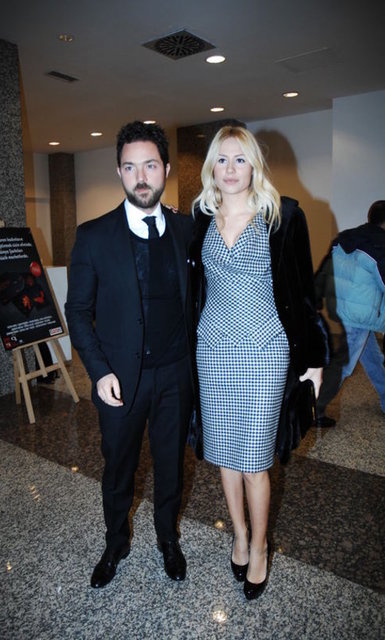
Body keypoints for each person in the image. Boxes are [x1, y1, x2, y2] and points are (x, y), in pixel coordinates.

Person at [190, 126, 326, 600]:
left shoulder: (282, 216)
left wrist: (313, 360)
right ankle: (241, 536)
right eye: (222, 159)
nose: (230, 169)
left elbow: (304, 293)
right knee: (223, 455)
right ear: (211, 166)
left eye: (240, 159)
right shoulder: (199, 218)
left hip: (264, 351)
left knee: (253, 461)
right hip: (212, 351)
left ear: (255, 166)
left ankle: (261, 547)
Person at [65, 121, 194, 588]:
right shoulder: (94, 236)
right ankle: (115, 542)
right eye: (130, 167)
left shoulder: (186, 229)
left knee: (170, 465)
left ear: (165, 170)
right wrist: (99, 372)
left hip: (175, 374)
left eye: (150, 166)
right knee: (118, 468)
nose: (141, 177)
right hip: (119, 379)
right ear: (119, 171)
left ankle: (168, 538)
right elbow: (77, 311)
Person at [314, 200, 385, 426]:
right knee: (342, 366)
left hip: (346, 310)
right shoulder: (380, 244)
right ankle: (314, 410)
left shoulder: (345, 237)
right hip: (360, 315)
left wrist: (315, 297)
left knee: (374, 360)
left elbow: (325, 268)